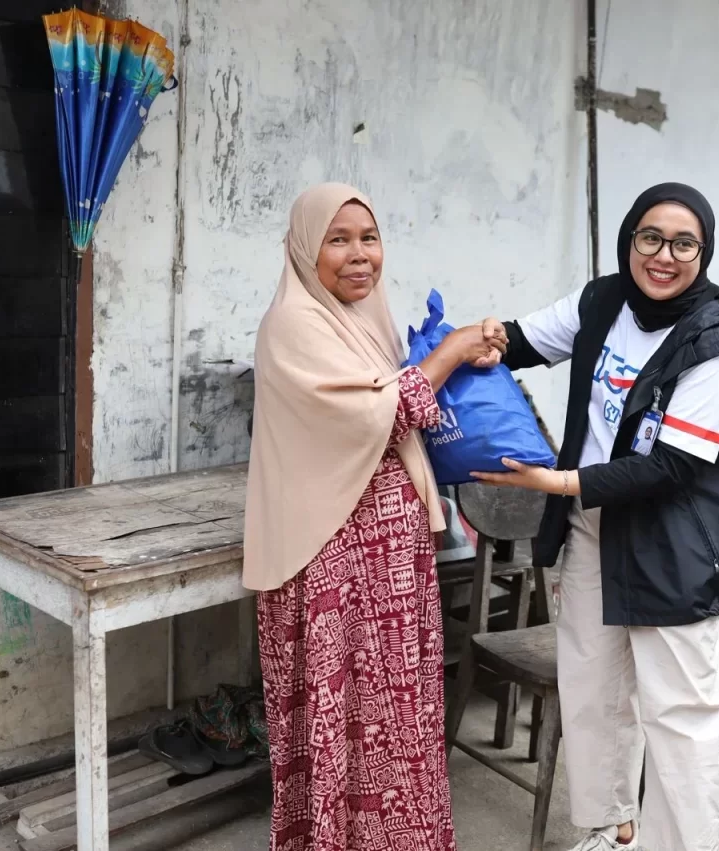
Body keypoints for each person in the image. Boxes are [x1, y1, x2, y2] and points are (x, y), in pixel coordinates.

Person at [472, 183, 719, 851]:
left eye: (684, 243)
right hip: (595, 522)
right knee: (593, 684)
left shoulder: (718, 346)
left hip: (672, 540)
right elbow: (520, 341)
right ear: (630, 238)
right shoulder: (603, 301)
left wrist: (557, 481)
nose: (664, 256)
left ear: (704, 252)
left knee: (683, 712)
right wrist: (477, 341)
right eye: (650, 237)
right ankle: (615, 828)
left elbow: (671, 466)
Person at [243, 183, 502, 851]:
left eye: (369, 238)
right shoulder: (293, 324)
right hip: (333, 561)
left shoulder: (365, 318)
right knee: (346, 728)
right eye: (338, 239)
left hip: (392, 565)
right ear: (306, 249)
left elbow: (405, 399)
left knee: (398, 717)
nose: (359, 255)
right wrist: (451, 353)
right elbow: (383, 412)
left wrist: (465, 358)